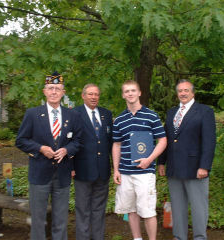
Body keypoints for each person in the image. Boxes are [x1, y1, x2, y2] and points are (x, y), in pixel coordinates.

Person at [16, 72, 82, 240]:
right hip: (39, 174)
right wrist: (39, 148)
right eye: (50, 88)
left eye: (57, 89)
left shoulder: (72, 115)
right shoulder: (32, 114)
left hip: (62, 174)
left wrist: (67, 150)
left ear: (63, 92)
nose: (54, 92)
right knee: (37, 219)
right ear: (44, 91)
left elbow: (78, 141)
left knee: (61, 219)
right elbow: (21, 140)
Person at [158, 79, 216, 240]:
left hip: (195, 168)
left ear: (193, 93)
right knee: (178, 206)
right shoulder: (171, 113)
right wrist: (161, 162)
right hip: (174, 167)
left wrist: (204, 166)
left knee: (199, 207)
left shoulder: (205, 111)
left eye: (186, 90)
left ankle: (199, 237)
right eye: (180, 91)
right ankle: (179, 236)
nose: (183, 93)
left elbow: (209, 141)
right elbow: (166, 138)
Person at [112, 80, 167, 240]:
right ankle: (137, 238)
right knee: (131, 209)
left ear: (139, 93)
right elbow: (116, 145)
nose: (130, 93)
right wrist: (116, 169)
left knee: (148, 210)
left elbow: (162, 141)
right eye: (127, 91)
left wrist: (149, 160)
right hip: (125, 172)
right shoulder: (119, 119)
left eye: (133, 90)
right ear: (123, 95)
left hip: (145, 172)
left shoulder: (151, 115)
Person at [72, 84, 113, 240]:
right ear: (83, 96)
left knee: (99, 209)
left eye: (96, 94)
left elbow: (110, 142)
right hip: (82, 170)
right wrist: (70, 166)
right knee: (82, 209)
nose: (94, 97)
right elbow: (69, 142)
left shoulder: (106, 114)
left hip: (102, 171)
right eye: (90, 94)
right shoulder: (74, 114)